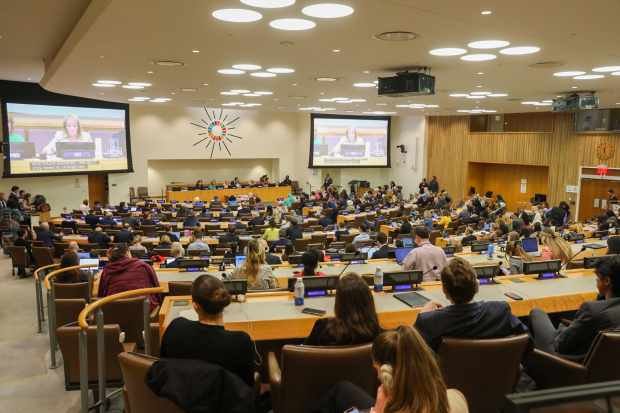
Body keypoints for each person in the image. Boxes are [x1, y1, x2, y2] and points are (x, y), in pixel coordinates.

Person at [312, 326, 468, 413]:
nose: (378, 377)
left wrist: (377, 410)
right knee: (343, 389)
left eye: (377, 370)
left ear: (388, 375)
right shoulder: (457, 398)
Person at [414, 257, 534, 354]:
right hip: (499, 380)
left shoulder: (428, 321)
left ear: (444, 290)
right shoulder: (500, 311)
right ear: (476, 285)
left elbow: (409, 356)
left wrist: (423, 315)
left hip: (447, 383)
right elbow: (528, 346)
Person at [159, 274, 254, 388]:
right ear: (222, 302)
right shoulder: (241, 341)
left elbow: (164, 368)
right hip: (223, 405)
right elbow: (248, 387)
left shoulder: (175, 327)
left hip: (180, 402)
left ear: (195, 306)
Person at [529, 255, 620, 362]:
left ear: (607, 280)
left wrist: (562, 329)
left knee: (537, 313)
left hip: (567, 363)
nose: (595, 279)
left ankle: (532, 365)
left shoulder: (592, 309)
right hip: (606, 366)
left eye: (598, 275)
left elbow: (561, 344)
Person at [304, 272, 383, 346]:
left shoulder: (323, 328)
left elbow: (304, 353)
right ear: (368, 300)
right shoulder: (379, 335)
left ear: (339, 302)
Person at [97, 243, 162, 311]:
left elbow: (101, 296)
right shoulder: (144, 266)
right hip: (142, 310)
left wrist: (111, 261)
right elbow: (156, 289)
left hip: (114, 311)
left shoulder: (106, 270)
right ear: (127, 253)